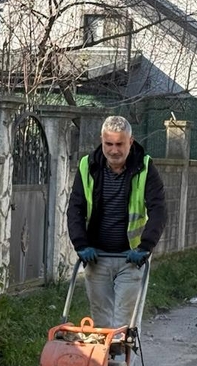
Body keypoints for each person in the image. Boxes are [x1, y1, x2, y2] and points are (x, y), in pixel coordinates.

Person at [66, 116, 167, 341]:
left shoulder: (145, 167)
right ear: (102, 141)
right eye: (108, 144)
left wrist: (145, 247)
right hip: (97, 257)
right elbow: (75, 208)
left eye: (119, 144)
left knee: (124, 325)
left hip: (131, 257)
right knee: (100, 325)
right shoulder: (87, 166)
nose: (113, 150)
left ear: (130, 142)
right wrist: (81, 244)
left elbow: (158, 210)